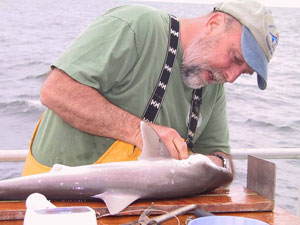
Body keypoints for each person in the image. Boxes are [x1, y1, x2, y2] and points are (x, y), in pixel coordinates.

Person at [22, 0, 279, 177]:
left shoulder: (212, 82)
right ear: (213, 24)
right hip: (53, 202)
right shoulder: (137, 25)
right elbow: (55, 90)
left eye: (244, 72)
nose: (232, 77)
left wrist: (214, 164)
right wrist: (140, 132)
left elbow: (220, 156)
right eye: (235, 58)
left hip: (136, 212)